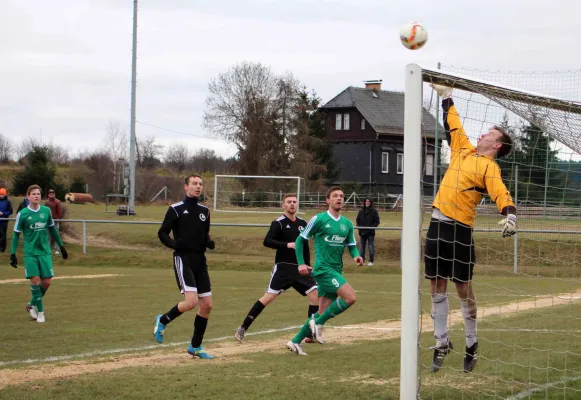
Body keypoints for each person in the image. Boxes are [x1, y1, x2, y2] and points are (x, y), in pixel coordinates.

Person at [426, 84, 517, 373]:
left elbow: (500, 192)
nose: (483, 134)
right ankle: (441, 342)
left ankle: (471, 342)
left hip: (460, 231)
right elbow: (453, 123)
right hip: (436, 226)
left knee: (463, 288)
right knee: (435, 285)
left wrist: (510, 214)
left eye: (489, 134)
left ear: (497, 145)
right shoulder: (462, 150)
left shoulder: (490, 168)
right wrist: (445, 96)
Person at [286, 186, 364, 356]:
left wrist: (357, 256)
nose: (339, 198)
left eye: (342, 196)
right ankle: (318, 323)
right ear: (327, 200)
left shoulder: (347, 224)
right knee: (350, 297)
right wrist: (301, 263)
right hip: (323, 270)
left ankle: (295, 341)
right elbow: (300, 241)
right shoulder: (319, 219)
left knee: (321, 312)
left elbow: (351, 246)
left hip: (336, 269)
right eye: (335, 196)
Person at [235, 194, 318, 342]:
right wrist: (286, 245)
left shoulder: (303, 223)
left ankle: (310, 333)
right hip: (283, 268)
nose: (292, 204)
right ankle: (243, 327)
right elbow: (267, 241)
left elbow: (305, 245)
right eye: (289, 202)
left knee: (315, 295)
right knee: (268, 297)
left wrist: (306, 263)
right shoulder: (278, 223)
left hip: (300, 268)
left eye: (294, 202)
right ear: (283, 205)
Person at [154, 175, 216, 359]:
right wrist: (175, 245)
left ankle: (195, 347)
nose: (198, 187)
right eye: (194, 184)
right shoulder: (175, 209)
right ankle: (163, 320)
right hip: (183, 259)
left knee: (207, 305)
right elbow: (162, 233)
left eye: (200, 184)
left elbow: (204, 235)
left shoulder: (205, 211)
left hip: (200, 260)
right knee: (191, 302)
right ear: (186, 187)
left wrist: (209, 242)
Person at [10, 184, 68, 323]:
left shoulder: (46, 211)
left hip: (44, 251)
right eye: (33, 194)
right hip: (30, 253)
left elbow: (52, 230)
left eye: (38, 194)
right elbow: (16, 235)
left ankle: (31, 305)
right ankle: (40, 312)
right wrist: (13, 254)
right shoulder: (22, 214)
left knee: (46, 282)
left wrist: (61, 246)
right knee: (36, 281)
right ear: (28, 196)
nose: (36, 196)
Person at [356, 198, 380, 266]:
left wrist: (371, 228)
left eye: (368, 201)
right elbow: (357, 220)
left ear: (370, 202)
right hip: (362, 232)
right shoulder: (361, 210)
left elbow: (377, 221)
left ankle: (371, 261)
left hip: (370, 233)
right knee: (362, 248)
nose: (367, 202)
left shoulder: (374, 211)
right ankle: (362, 261)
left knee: (371, 247)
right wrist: (359, 228)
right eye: (366, 201)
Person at [45, 189, 64, 255]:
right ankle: (48, 249)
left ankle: (57, 250)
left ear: (54, 194)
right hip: (48, 221)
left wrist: (57, 220)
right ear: (48, 194)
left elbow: (60, 213)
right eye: (50, 193)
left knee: (56, 236)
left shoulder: (57, 202)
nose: (51, 194)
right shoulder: (46, 202)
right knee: (48, 236)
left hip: (55, 222)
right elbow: (45, 212)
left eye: (52, 193)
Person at [0, 188, 13, 253]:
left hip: (4, 221)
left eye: (2, 194)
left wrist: (3, 213)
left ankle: (3, 247)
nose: (1, 195)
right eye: (0, 194)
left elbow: (10, 211)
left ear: (5, 195)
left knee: (3, 234)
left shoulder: (8, 202)